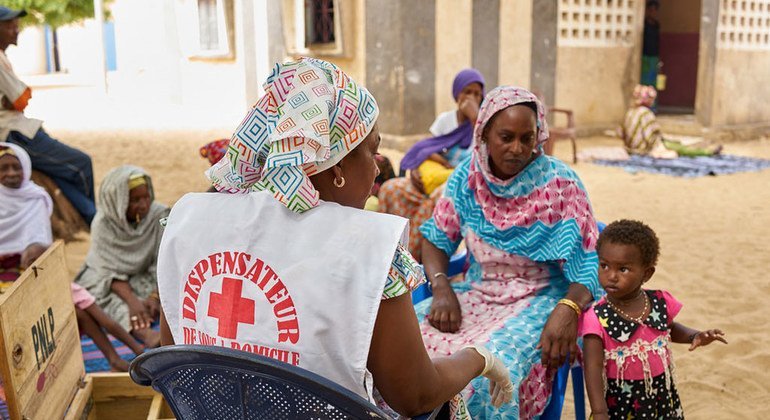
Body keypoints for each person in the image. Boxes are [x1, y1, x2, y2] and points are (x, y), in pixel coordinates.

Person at [156, 58, 513, 418]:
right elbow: (415, 395)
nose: (377, 167)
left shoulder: (188, 223)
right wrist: (477, 358)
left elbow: (176, 360)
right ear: (337, 165)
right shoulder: (368, 250)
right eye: (371, 150)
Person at [416, 86, 602, 419]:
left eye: (526, 138)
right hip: (476, 291)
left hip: (542, 299)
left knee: (491, 373)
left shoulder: (562, 185)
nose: (517, 149)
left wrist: (568, 308)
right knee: (407, 347)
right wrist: (441, 286)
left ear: (538, 137)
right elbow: (435, 237)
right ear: (484, 133)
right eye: (505, 137)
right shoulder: (467, 178)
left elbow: (589, 263)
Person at [0, 143, 144, 371]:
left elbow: (41, 243)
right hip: (10, 272)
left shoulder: (36, 197)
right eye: (4, 168)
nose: (11, 173)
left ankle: (127, 357)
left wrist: (32, 258)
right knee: (84, 312)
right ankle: (122, 357)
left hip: (38, 270)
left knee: (86, 313)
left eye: (16, 167)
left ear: (26, 167)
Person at [581, 220, 727, 419]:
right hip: (622, 403)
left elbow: (668, 329)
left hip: (662, 396)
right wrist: (599, 411)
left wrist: (694, 335)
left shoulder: (659, 301)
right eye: (604, 266)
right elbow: (593, 367)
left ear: (646, 274)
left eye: (623, 269)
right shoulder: (596, 317)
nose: (611, 276)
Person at [0, 6, 95, 224]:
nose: (16, 30)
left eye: (15, 25)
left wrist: (15, 99)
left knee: (65, 171)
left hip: (18, 127)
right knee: (81, 164)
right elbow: (22, 98)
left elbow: (18, 99)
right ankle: (92, 219)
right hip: (16, 132)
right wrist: (15, 98)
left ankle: (88, 216)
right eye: (8, 25)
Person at [379, 68, 484, 261]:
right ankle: (386, 250)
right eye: (467, 92)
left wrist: (475, 119)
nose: (472, 98)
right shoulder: (445, 120)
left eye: (477, 94)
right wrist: (417, 169)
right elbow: (427, 148)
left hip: (461, 183)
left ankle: (414, 259)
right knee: (391, 188)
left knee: (439, 198)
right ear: (457, 94)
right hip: (435, 177)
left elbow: (483, 159)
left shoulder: (483, 125)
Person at [75, 165, 169, 348]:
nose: (143, 205)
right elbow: (108, 271)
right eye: (134, 200)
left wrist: (155, 296)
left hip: (146, 275)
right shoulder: (103, 224)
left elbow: (164, 260)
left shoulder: (159, 215)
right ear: (117, 201)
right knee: (97, 297)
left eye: (146, 197)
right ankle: (145, 333)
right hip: (108, 279)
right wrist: (133, 302)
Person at [621, 85, 722, 158]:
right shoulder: (646, 113)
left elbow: (622, 132)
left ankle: (703, 147)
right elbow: (650, 136)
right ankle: (707, 152)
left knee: (675, 143)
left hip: (630, 148)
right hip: (643, 148)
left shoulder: (630, 112)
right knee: (680, 148)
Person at [641, 1, 660, 90]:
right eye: (651, 10)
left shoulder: (656, 25)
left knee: (653, 80)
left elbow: (657, 41)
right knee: (644, 80)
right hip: (644, 56)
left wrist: (658, 58)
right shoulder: (643, 24)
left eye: (654, 10)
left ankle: (652, 102)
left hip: (654, 57)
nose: (653, 12)